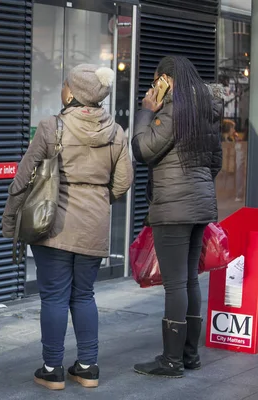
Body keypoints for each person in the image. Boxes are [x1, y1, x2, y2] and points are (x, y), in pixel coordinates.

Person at [2, 64, 133, 390]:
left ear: (72, 93)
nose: (62, 88)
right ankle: (88, 367)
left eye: (65, 84)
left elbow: (22, 178)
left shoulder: (51, 127)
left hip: (53, 226)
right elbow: (123, 182)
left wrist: (10, 222)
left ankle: (52, 368)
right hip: (93, 225)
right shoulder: (116, 132)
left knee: (55, 298)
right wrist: (100, 202)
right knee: (84, 295)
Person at [132, 56, 223, 378]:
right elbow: (215, 163)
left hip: (173, 207)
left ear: (166, 80)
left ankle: (171, 361)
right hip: (200, 205)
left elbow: (143, 150)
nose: (152, 87)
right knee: (188, 280)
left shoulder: (172, 111)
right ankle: (189, 355)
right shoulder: (207, 111)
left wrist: (145, 111)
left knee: (175, 285)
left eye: (155, 80)